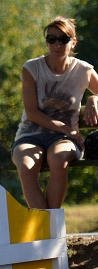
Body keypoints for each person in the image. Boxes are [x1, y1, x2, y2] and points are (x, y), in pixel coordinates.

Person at [12, 17, 98, 209]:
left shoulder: (83, 70)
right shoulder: (32, 68)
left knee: (58, 160)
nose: (57, 44)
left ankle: (51, 225)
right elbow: (32, 112)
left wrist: (94, 99)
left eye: (63, 39)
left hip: (64, 140)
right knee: (26, 166)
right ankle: (47, 228)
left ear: (73, 42)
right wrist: (68, 129)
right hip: (30, 135)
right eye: (52, 39)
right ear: (47, 41)